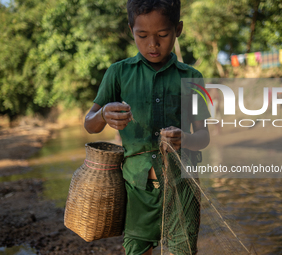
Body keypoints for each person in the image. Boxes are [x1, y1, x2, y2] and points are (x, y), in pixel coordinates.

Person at [84, 0, 210, 254]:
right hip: (135, 187)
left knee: (182, 249)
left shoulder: (192, 77)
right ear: (131, 29)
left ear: (178, 29)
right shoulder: (118, 73)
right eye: (142, 35)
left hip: (182, 187)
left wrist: (184, 138)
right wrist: (104, 114)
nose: (153, 44)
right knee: (136, 249)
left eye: (163, 35)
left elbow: (204, 136)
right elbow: (90, 124)